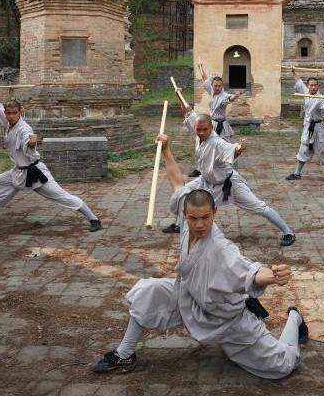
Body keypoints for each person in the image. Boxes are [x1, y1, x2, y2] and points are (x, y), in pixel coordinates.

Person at [92, 133, 308, 378]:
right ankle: (125, 353)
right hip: (190, 298)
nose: (199, 224)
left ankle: (294, 318)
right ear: (184, 214)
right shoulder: (188, 213)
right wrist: (166, 149)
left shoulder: (220, 248)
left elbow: (250, 271)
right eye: (193, 218)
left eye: (205, 217)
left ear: (214, 212)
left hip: (224, 318)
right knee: (149, 292)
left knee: (281, 366)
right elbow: (176, 180)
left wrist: (274, 275)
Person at [162, 101, 297, 246]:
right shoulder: (198, 131)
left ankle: (288, 232)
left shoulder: (217, 143)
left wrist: (240, 147)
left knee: (258, 207)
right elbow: (189, 112)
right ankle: (180, 224)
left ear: (211, 128)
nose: (200, 133)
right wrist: (178, 94)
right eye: (198, 129)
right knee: (183, 194)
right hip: (206, 182)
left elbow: (233, 149)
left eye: (204, 130)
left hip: (229, 184)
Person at [0, 84, 100, 231]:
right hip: (19, 171)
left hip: (34, 173)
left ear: (20, 112)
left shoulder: (24, 129)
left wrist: (32, 143)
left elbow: (29, 143)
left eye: (14, 113)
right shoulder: (8, 122)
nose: (11, 116)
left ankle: (93, 219)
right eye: (9, 113)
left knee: (61, 196)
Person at [286, 70, 324, 183]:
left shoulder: (321, 98)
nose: (313, 87)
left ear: (318, 86)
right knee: (303, 149)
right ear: (308, 86)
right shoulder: (305, 92)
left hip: (318, 128)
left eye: (315, 85)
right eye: (311, 85)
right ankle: (297, 174)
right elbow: (299, 82)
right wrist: (294, 72)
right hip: (308, 128)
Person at [188, 64, 242, 177]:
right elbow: (205, 79)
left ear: (222, 86)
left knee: (229, 146)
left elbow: (230, 98)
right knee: (201, 143)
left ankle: (234, 170)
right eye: (215, 86)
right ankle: (200, 168)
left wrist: (236, 96)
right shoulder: (212, 92)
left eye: (219, 86)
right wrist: (200, 67)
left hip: (222, 125)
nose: (216, 88)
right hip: (212, 123)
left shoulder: (224, 95)